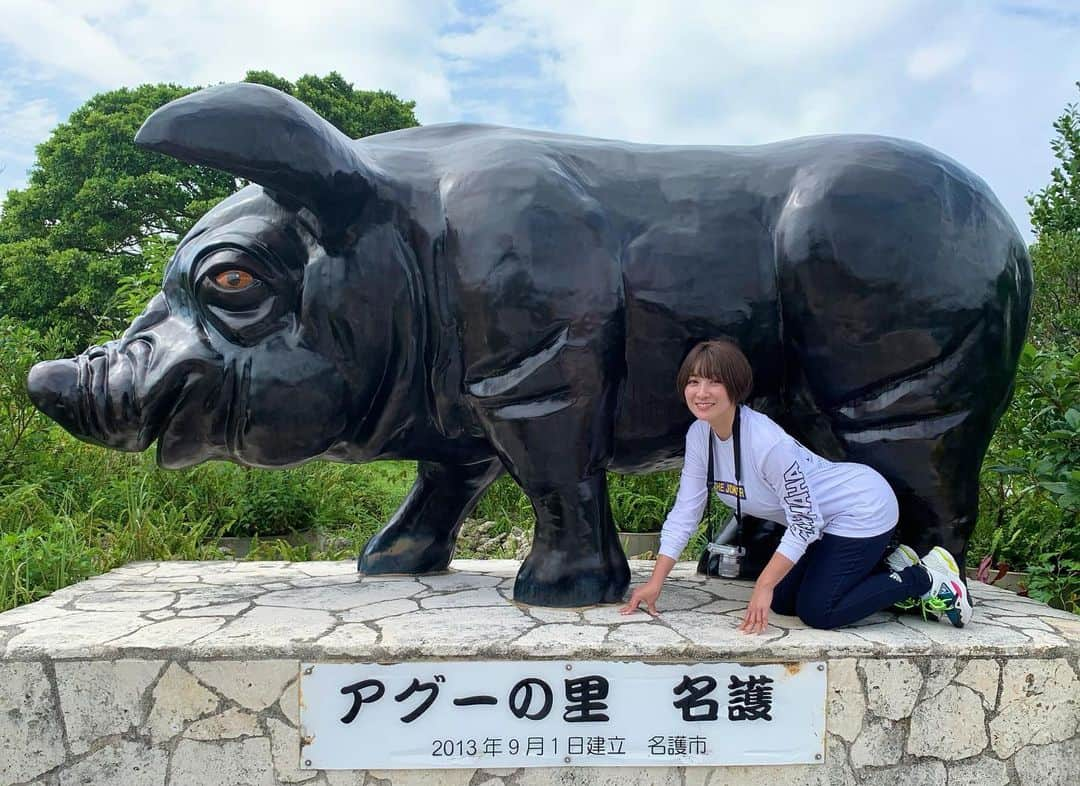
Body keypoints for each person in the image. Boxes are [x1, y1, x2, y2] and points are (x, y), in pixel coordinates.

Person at [619, 338, 973, 631]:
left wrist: (763, 583)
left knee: (819, 613)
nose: (701, 392)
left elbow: (804, 521)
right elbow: (686, 510)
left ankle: (924, 579)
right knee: (786, 602)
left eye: (714, 381)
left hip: (862, 508)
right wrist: (656, 581)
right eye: (693, 381)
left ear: (735, 386)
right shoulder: (700, 435)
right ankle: (886, 567)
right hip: (821, 521)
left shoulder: (766, 443)